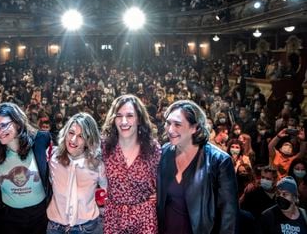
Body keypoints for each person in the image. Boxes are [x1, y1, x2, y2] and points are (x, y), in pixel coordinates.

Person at [157, 100, 238, 234]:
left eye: (177, 124)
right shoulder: (164, 152)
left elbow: (229, 215)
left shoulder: (219, 161)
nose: (170, 129)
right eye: (168, 123)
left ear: (195, 127)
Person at [0, 102, 51, 234]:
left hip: (40, 215)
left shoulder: (40, 140)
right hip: (8, 217)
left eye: (4, 125)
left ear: (17, 122)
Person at [101, 94, 161, 234]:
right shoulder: (104, 146)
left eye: (129, 116)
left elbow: (165, 179)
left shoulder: (153, 148)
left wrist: (161, 194)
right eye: (119, 116)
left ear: (139, 119)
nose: (123, 121)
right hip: (114, 217)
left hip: (144, 217)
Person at [46, 112, 107, 234]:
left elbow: (109, 191)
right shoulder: (53, 157)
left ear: (89, 139)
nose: (73, 140)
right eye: (71, 133)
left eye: (81, 136)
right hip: (55, 228)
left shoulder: (97, 164)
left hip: (87, 228)